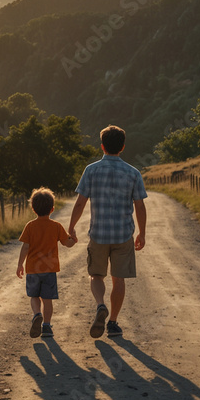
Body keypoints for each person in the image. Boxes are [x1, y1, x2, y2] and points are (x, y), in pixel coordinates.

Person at [68, 125, 147, 338]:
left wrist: (71, 227)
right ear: (122, 147)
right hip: (123, 235)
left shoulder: (91, 170)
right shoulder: (133, 172)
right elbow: (140, 206)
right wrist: (142, 233)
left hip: (99, 235)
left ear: (102, 146)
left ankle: (100, 304)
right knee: (118, 278)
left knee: (96, 275)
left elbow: (80, 203)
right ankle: (113, 322)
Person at [17, 187, 77, 338]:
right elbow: (67, 244)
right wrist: (73, 239)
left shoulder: (30, 226)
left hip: (32, 269)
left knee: (34, 296)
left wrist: (19, 265)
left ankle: (37, 314)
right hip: (49, 270)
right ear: (52, 209)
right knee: (48, 300)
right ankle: (47, 326)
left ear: (33, 208)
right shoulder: (56, 226)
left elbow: (25, 247)